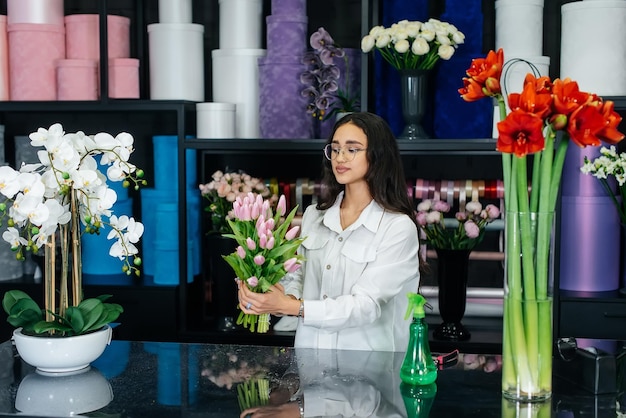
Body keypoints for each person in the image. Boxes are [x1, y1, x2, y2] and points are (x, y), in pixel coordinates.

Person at [237, 112, 422, 352]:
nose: (340, 157)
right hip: (311, 359)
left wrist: (293, 308)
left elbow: (366, 306)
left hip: (370, 368)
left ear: (378, 156)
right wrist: (273, 297)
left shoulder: (397, 227)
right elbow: (298, 277)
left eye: (352, 149)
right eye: (335, 149)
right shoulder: (316, 215)